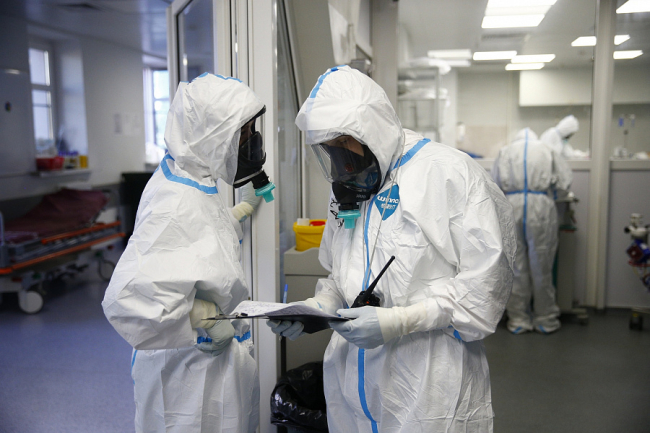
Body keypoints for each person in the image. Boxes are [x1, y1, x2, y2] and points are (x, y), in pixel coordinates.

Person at [268, 65, 516, 432]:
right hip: (352, 384)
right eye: (329, 148)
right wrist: (317, 309)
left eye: (344, 143)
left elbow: (483, 292)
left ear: (372, 128)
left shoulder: (449, 173)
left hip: (428, 387)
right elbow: (339, 274)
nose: (340, 159)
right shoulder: (349, 184)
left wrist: (401, 321)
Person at [102, 73, 275, 433]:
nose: (251, 141)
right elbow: (126, 301)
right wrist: (203, 314)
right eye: (243, 132)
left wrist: (237, 214)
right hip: (188, 377)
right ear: (212, 134)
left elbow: (194, 244)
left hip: (205, 366)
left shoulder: (191, 178)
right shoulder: (175, 200)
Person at [492, 128, 573, 335]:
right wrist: (550, 195)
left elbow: (495, 183)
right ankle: (545, 319)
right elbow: (564, 182)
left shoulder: (506, 151)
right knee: (542, 264)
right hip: (541, 206)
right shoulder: (547, 149)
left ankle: (518, 319)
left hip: (512, 205)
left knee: (515, 266)